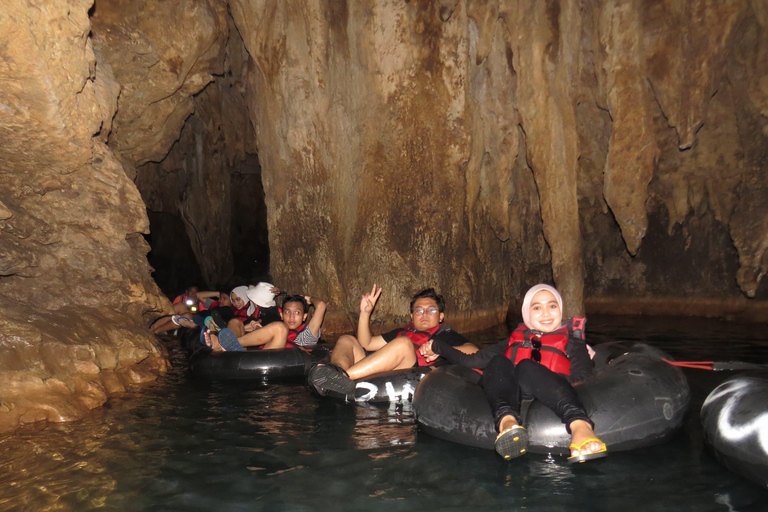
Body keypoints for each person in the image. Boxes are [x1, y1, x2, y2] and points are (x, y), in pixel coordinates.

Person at [420, 283, 607, 463]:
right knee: (499, 361)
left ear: (560, 309)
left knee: (526, 366)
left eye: (552, 306)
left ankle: (580, 426)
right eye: (537, 308)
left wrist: (549, 381)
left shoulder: (573, 343)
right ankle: (507, 423)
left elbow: (584, 379)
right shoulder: (512, 340)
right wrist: (439, 346)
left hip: (552, 390)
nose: (546, 313)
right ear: (527, 313)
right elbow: (472, 360)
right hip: (507, 391)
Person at [307, 284, 478, 399]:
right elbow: (365, 343)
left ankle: (340, 377)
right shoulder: (404, 331)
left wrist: (440, 348)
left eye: (431, 310)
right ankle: (335, 371)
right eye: (419, 310)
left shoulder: (446, 335)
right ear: (412, 316)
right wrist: (365, 313)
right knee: (347, 339)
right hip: (380, 370)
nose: (424, 314)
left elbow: (473, 351)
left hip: (409, 375)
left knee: (403, 344)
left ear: (441, 316)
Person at [202, 293, 328, 352]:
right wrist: (252, 330)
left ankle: (222, 344)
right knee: (236, 322)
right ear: (281, 314)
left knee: (280, 328)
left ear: (304, 317)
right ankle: (225, 344)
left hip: (275, 361)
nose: (291, 317)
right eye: (288, 312)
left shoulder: (307, 335)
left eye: (297, 313)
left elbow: (321, 305)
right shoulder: (276, 324)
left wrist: (309, 299)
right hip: (252, 357)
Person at [150, 286, 220, 334]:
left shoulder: (201, 302)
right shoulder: (181, 298)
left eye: (195, 292)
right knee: (180, 307)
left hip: (197, 320)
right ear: (187, 292)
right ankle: (152, 328)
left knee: (185, 316)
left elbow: (202, 313)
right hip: (184, 315)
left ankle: (156, 331)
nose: (193, 294)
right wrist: (220, 293)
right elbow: (200, 295)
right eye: (191, 292)